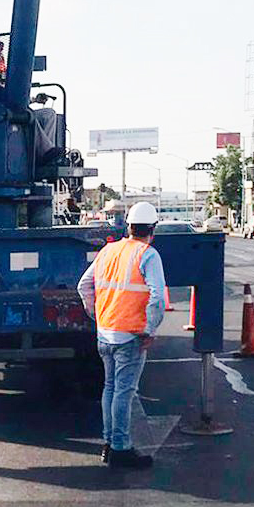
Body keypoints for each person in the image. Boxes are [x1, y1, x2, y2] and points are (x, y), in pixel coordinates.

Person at [78, 200, 166, 469]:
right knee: (124, 393)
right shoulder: (148, 255)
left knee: (110, 389)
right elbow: (158, 298)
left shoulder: (108, 250)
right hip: (130, 335)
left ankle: (108, 443)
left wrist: (97, 316)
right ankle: (120, 448)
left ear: (128, 226)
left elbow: (84, 286)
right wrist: (150, 329)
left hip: (105, 333)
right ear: (152, 229)